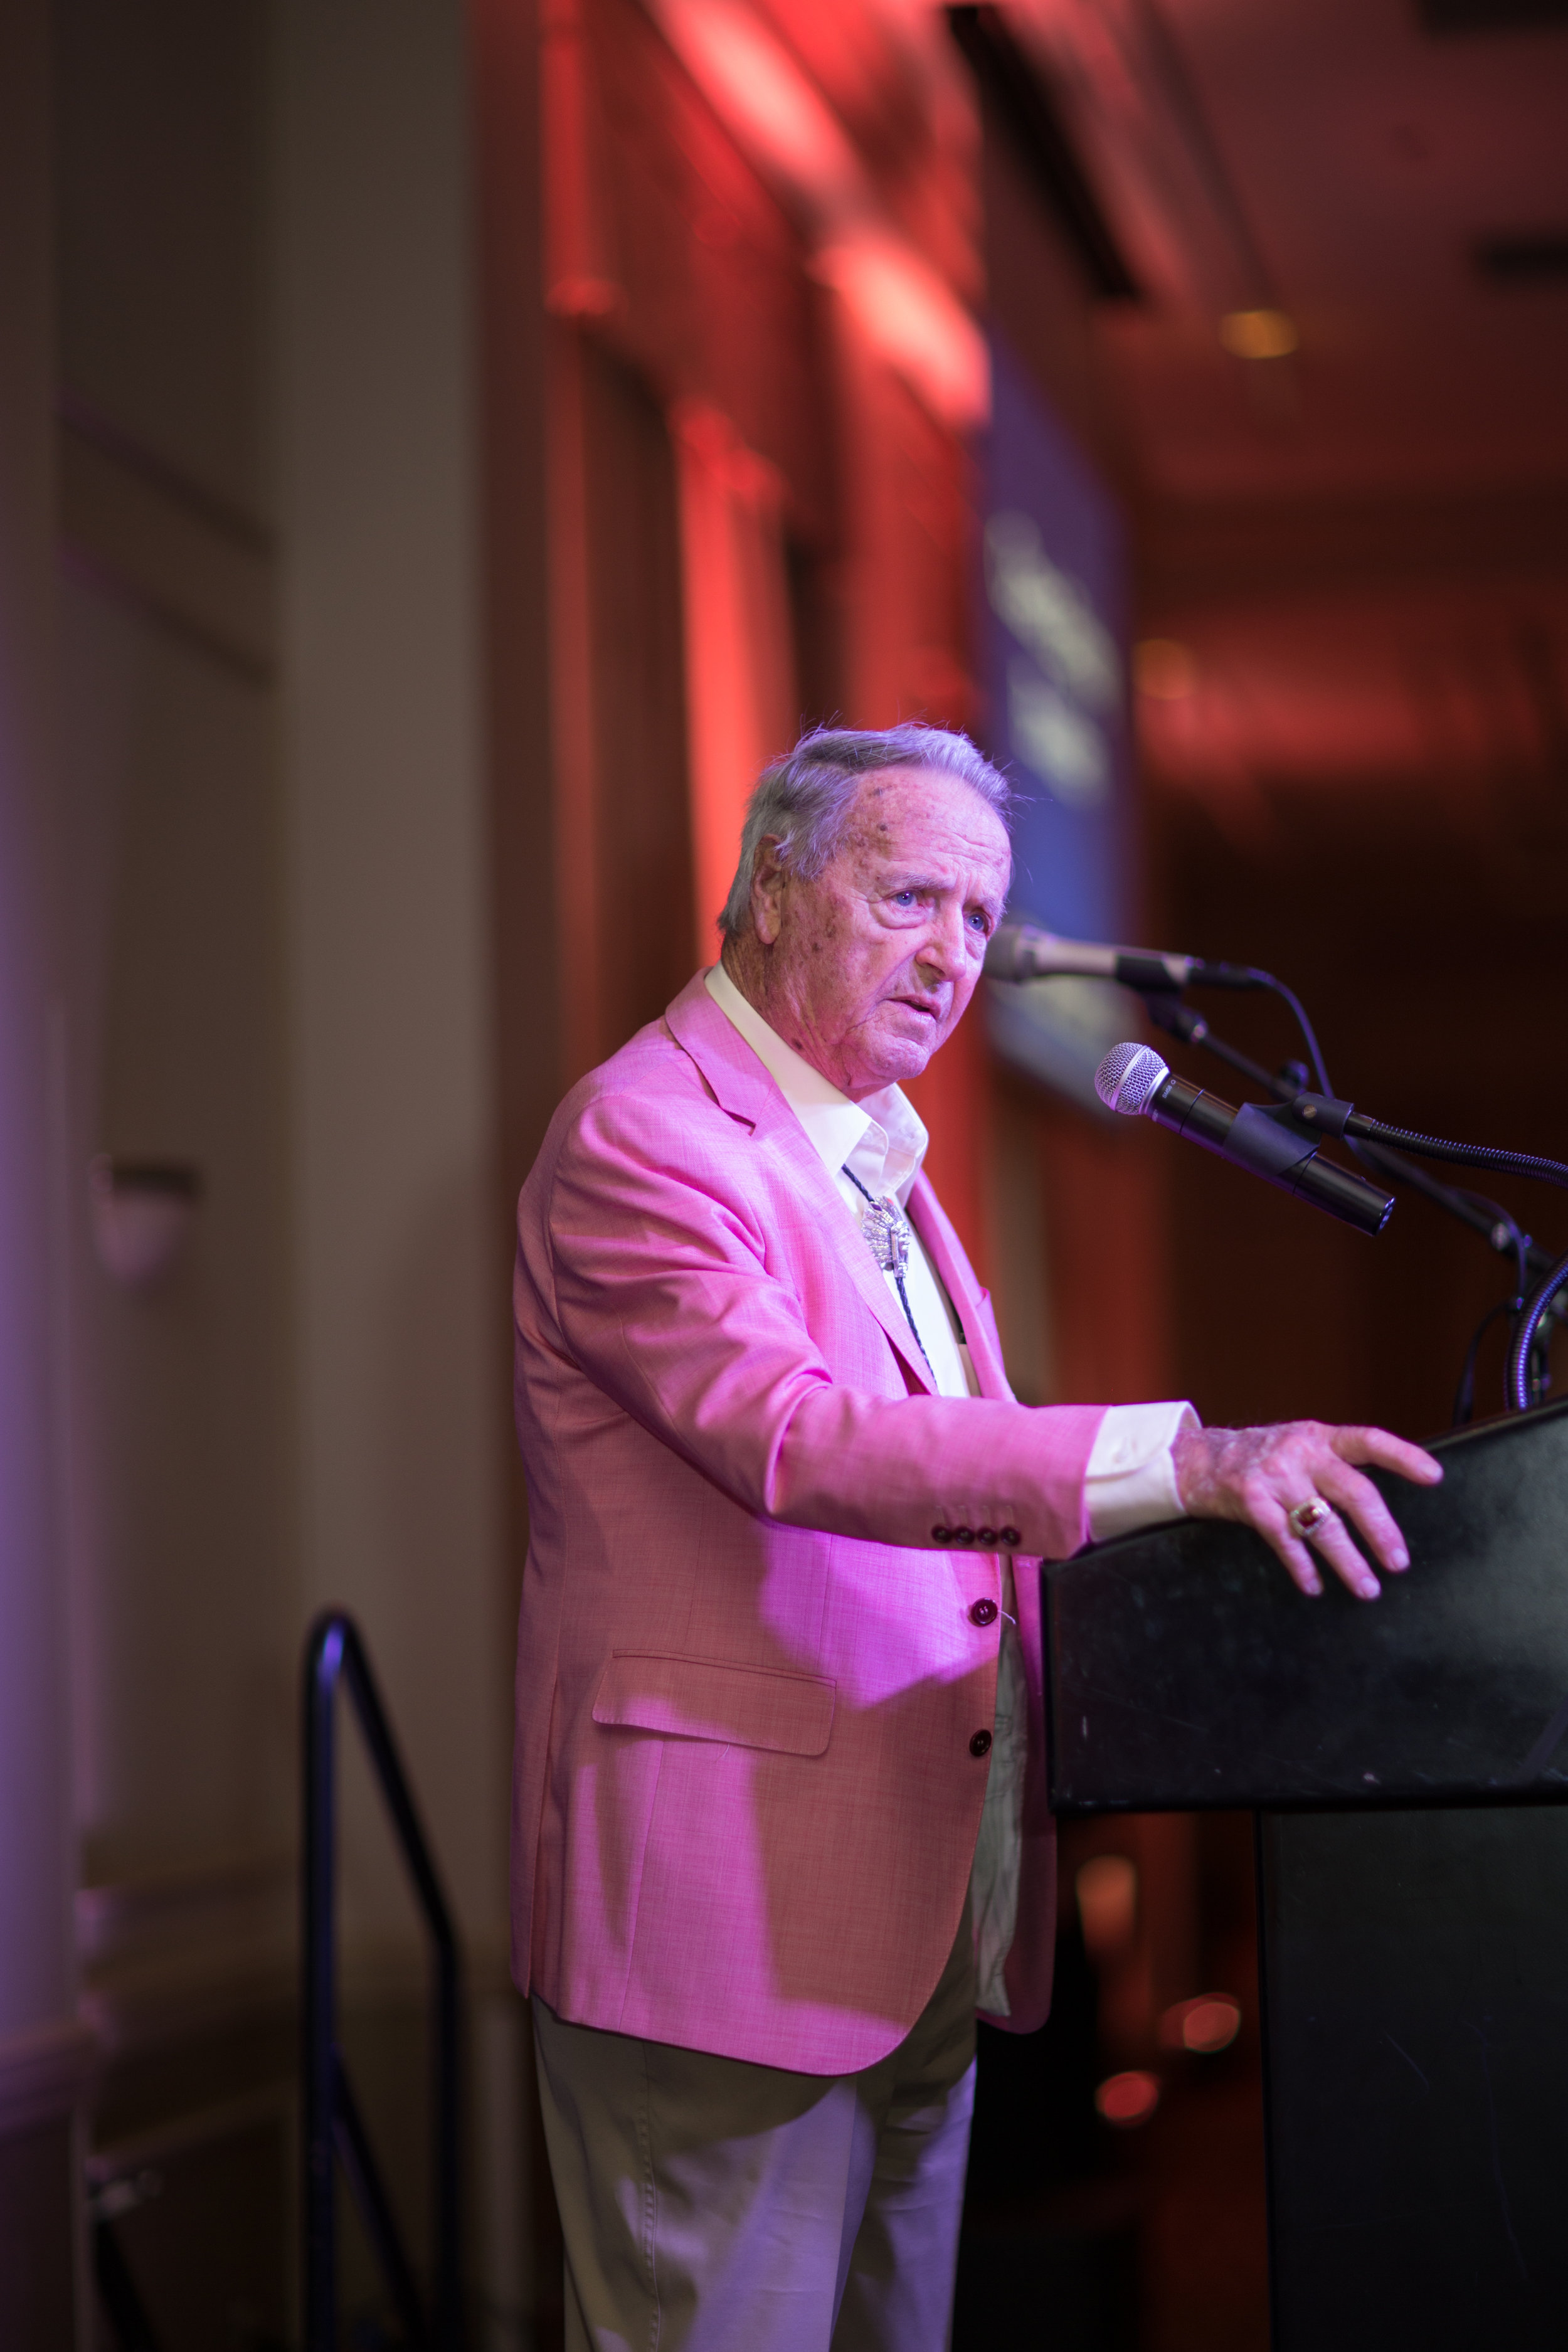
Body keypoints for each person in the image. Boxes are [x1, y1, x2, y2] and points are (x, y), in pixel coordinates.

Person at [509, 723, 1441, 2352]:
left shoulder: (881, 1167)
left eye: (977, 920)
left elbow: (955, 1526)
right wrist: (1192, 1459)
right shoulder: (642, 1137)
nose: (952, 955)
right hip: (730, 1929)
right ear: (777, 891)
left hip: (922, 1908)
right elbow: (798, 1439)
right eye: (911, 899)